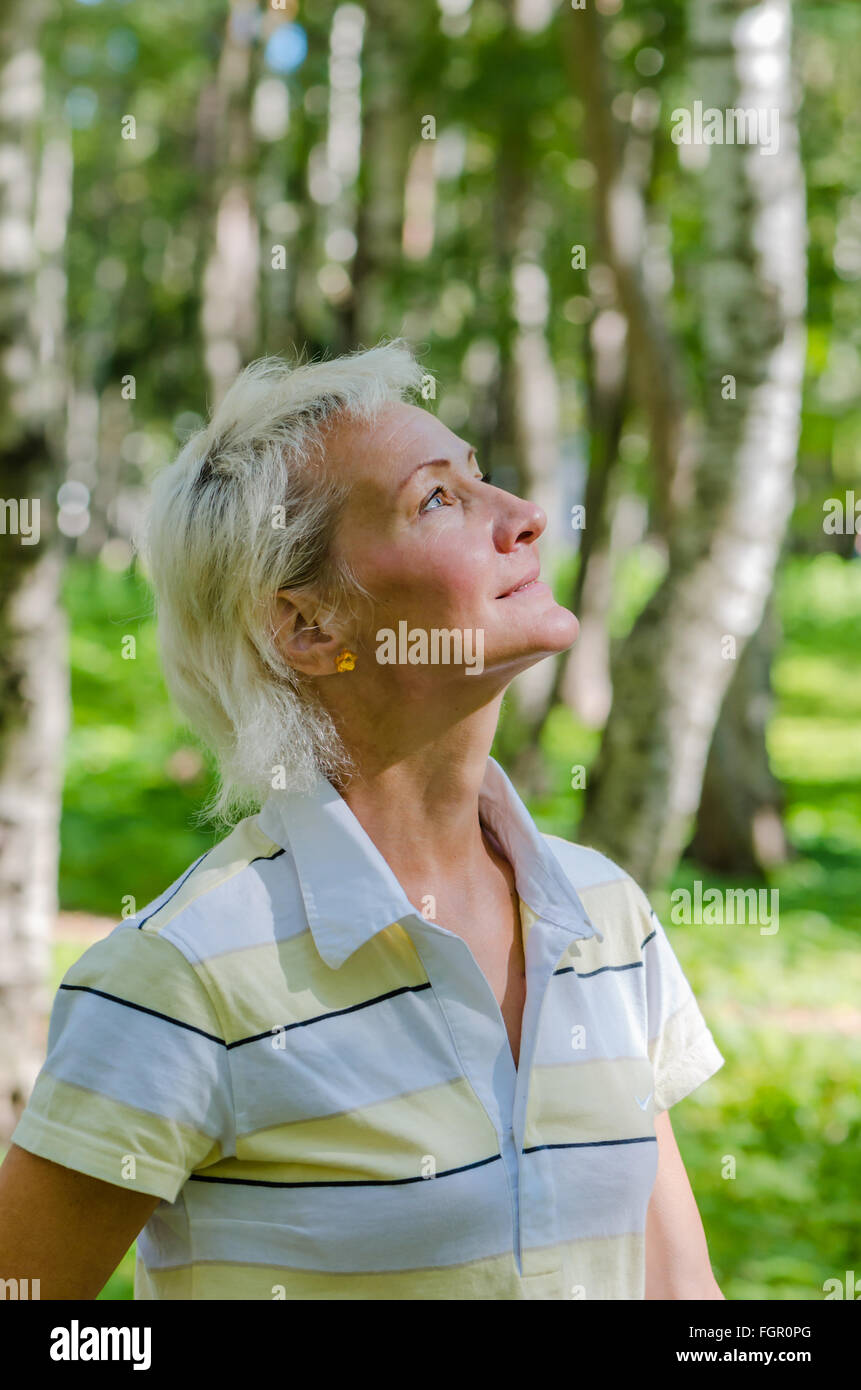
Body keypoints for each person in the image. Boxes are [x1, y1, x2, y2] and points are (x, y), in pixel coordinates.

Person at [0, 339, 725, 1300]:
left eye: (483, 477)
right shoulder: (181, 979)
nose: (524, 518)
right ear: (308, 626)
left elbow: (688, 1307)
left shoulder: (606, 917)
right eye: (436, 499)